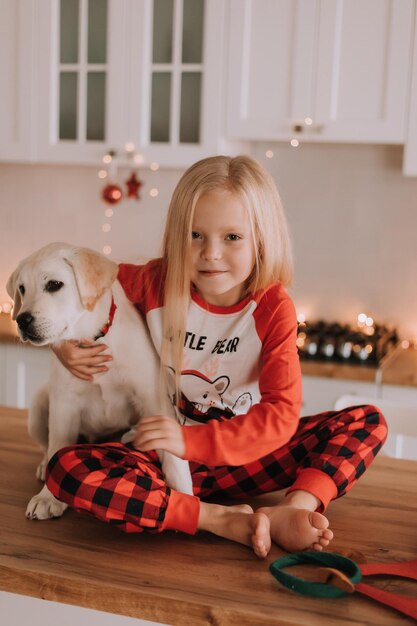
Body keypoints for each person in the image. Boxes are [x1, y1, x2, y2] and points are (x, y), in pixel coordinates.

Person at [46, 155, 387, 558]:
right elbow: (79, 287)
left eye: (232, 237)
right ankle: (217, 519)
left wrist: (192, 439)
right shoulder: (153, 282)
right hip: (165, 462)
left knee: (366, 421)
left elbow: (280, 415)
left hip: (249, 458)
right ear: (177, 235)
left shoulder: (272, 308)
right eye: (195, 235)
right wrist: (60, 344)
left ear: (261, 237)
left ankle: (292, 509)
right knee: (64, 469)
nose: (210, 253)